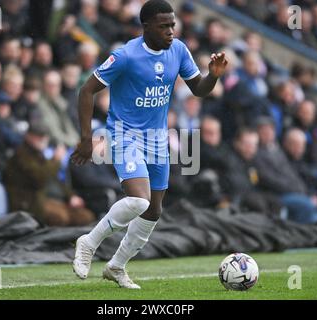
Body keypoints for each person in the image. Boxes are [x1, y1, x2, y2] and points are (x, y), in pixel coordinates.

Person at [71, 0, 228, 289]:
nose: (170, 31)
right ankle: (88, 243)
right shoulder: (126, 56)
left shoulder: (178, 50)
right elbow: (87, 90)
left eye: (172, 25)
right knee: (139, 200)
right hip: (123, 134)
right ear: (146, 27)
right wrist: (85, 139)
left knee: (153, 211)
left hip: (156, 139)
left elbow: (198, 89)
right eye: (163, 26)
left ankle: (116, 267)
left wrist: (213, 77)